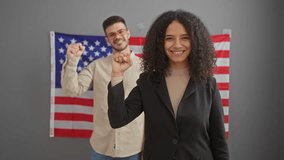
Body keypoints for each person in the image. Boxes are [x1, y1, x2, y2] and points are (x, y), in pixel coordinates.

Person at [108, 10, 229, 160]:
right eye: (169, 38)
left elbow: (219, 142)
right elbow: (118, 119)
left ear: (195, 41)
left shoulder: (208, 84)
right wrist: (116, 75)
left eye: (185, 38)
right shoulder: (148, 82)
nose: (177, 45)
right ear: (159, 42)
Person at [61, 16, 144, 160]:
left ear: (128, 33)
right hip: (101, 147)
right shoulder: (96, 66)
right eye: (112, 34)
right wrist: (72, 60)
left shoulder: (146, 67)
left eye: (120, 31)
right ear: (107, 40)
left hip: (133, 147)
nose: (117, 36)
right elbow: (71, 90)